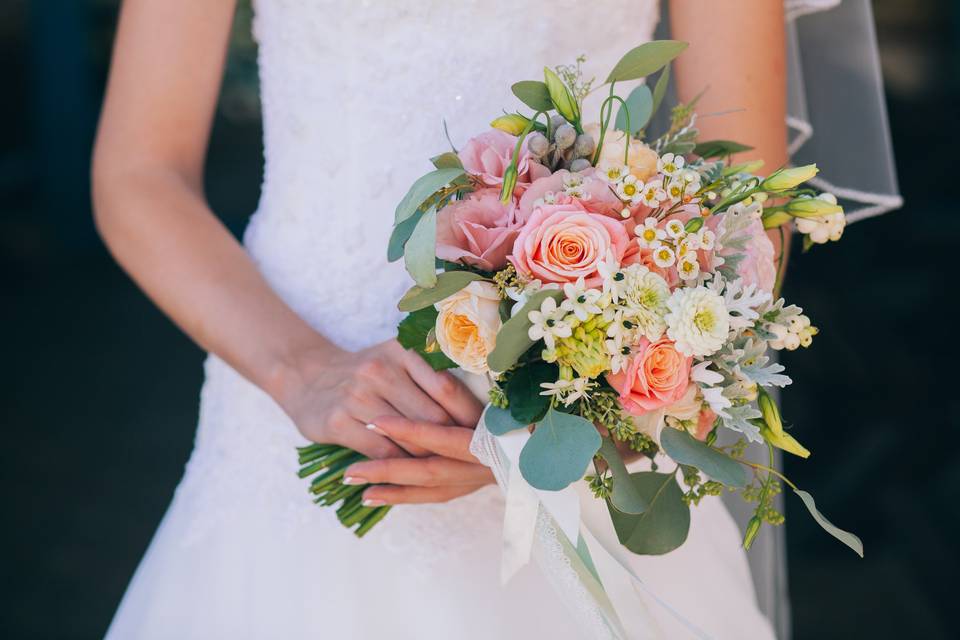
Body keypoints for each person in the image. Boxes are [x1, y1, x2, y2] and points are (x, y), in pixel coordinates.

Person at [93, 1, 850, 637]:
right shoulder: (299, 380)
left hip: (578, 419)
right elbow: (140, 169)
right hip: (281, 406)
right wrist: (304, 371)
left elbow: (747, 207)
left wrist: (568, 413)